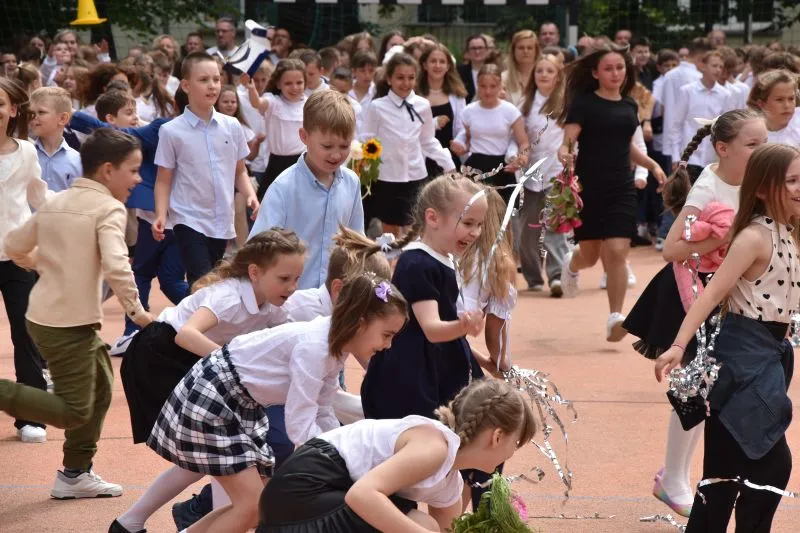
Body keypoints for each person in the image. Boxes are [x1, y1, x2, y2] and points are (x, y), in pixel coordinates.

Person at [145, 271, 408, 533]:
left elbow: (322, 408)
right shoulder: (316, 347)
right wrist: (338, 462)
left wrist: (343, 450)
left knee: (259, 506)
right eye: (387, 334)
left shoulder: (334, 346)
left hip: (237, 401)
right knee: (252, 506)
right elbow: (300, 423)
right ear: (360, 323)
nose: (389, 345)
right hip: (216, 397)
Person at [110, 230, 305, 533]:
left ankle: (130, 523)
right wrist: (232, 363)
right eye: (284, 278)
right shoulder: (229, 296)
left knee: (207, 455)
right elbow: (186, 334)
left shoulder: (273, 305)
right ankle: (210, 522)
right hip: (160, 357)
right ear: (255, 272)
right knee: (216, 451)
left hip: (201, 364)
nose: (292, 287)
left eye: (297, 279)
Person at [624, 108, 768, 517]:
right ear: (723, 148)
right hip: (692, 292)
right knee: (696, 388)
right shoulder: (708, 186)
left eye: (765, 143)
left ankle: (674, 475)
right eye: (752, 144)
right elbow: (672, 249)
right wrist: (722, 239)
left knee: (708, 388)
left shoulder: (758, 180)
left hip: (729, 291)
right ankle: (673, 478)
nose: (761, 150)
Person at [0, 128, 154, 498]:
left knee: (100, 388)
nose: (138, 179)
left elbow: (14, 245)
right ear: (107, 170)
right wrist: (139, 314)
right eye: (133, 170)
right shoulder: (109, 208)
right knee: (73, 410)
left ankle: (74, 474)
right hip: (64, 324)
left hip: (54, 318)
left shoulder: (57, 201)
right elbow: (117, 267)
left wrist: (44, 262)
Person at [656, 143, 800, 532]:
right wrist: (678, 345)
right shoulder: (754, 236)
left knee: (724, 469)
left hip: (771, 353)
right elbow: (712, 295)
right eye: (791, 180)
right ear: (763, 189)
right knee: (771, 465)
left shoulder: (791, 233)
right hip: (741, 353)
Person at [259, 378, 536, 532]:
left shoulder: (449, 482)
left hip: (317, 503)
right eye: (516, 442)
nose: (513, 452)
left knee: (423, 525)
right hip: (299, 497)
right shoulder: (434, 446)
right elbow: (361, 495)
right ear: (497, 436)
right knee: (420, 525)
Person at [556, 44, 667, 341]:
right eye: (608, 68)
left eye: (620, 68)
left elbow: (626, 145)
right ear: (595, 73)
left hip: (622, 188)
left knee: (617, 250)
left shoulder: (630, 105)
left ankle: (615, 317)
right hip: (589, 187)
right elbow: (568, 141)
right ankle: (572, 263)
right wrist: (564, 154)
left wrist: (652, 165)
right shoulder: (584, 103)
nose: (616, 73)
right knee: (590, 255)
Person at [362, 175, 492, 422]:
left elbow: (448, 332)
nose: (475, 232)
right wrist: (463, 326)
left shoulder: (441, 259)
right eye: (468, 223)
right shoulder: (418, 264)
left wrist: (483, 361)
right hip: (416, 377)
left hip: (436, 366)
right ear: (433, 218)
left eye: (479, 224)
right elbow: (432, 329)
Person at [153, 51, 259, 288]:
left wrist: (251, 195)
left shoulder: (232, 126)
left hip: (221, 218)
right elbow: (163, 179)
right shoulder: (171, 131)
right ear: (186, 86)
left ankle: (195, 312)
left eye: (216, 79)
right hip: (187, 218)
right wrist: (160, 214)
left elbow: (239, 171)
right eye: (203, 80)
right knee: (201, 279)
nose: (212, 86)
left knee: (212, 281)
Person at [249, 90, 364, 290]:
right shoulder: (284, 188)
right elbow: (258, 249)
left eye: (344, 146)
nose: (336, 155)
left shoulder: (351, 182)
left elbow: (356, 239)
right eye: (327, 146)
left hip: (335, 296)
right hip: (291, 297)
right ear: (304, 136)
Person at [0, 78, 51, 444]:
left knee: (26, 332)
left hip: (17, 258)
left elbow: (40, 198)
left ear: (13, 109)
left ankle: (31, 416)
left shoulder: (27, 153)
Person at [360, 52, 456, 236]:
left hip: (415, 174)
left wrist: (448, 164)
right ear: (389, 79)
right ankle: (392, 254)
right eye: (400, 78)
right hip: (387, 176)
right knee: (390, 226)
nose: (405, 83)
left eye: (410, 78)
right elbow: (366, 140)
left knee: (415, 223)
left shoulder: (422, 105)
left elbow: (427, 140)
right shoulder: (377, 107)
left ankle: (411, 253)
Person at [519, 53, 570, 296]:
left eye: (549, 70)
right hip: (529, 174)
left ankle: (558, 275)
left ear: (558, 75)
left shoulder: (566, 103)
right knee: (527, 230)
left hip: (557, 172)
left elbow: (573, 138)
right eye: (539, 70)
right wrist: (516, 156)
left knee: (554, 225)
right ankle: (533, 277)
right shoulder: (525, 104)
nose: (544, 75)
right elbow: (516, 136)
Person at [457, 188, 517, 376]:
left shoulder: (448, 251)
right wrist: (501, 364)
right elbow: (494, 336)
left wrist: (485, 363)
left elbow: (450, 337)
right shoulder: (499, 263)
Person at [452, 64, 529, 204]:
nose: (488, 91)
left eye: (493, 86)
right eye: (483, 86)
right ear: (477, 85)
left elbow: (523, 141)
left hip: (501, 168)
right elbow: (468, 140)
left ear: (500, 85)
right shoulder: (468, 111)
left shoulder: (510, 111)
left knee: (503, 212)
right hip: (475, 167)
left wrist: (522, 158)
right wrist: (461, 147)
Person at [668, 51, 737, 181]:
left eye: (720, 67)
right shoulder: (687, 91)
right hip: (689, 156)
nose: (718, 70)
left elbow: (729, 127)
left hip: (713, 158)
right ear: (703, 66)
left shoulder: (725, 95)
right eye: (714, 65)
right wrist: (676, 157)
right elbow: (676, 125)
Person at [245, 58, 307, 199]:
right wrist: (251, 88)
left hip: (303, 162)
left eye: (299, 83)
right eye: (288, 83)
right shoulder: (273, 101)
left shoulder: (309, 103)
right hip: (277, 162)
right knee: (270, 202)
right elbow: (257, 103)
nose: (295, 87)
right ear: (278, 84)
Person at [417, 43, 467, 177]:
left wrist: (460, 142)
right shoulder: (414, 94)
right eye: (433, 61)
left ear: (448, 66)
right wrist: (433, 123)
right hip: (420, 160)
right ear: (424, 65)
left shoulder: (457, 96)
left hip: (449, 160)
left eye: (442, 62)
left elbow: (462, 127)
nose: (437, 65)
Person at [29, 87, 82, 192]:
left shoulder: (77, 161)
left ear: (63, 118)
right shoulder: (25, 154)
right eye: (31, 113)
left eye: (41, 112)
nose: (33, 117)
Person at [748, 69, 800, 147]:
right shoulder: (751, 133)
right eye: (779, 100)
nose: (787, 105)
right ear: (761, 104)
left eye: (791, 99)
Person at [501, 30, 539, 106]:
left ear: (536, 52)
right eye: (521, 48)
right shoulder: (502, 79)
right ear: (513, 51)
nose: (525, 51)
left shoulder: (544, 77)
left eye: (530, 48)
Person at [457, 35, 490, 103]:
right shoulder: (458, 73)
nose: (477, 51)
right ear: (467, 51)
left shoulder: (495, 71)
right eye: (473, 48)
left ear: (486, 50)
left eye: (480, 48)